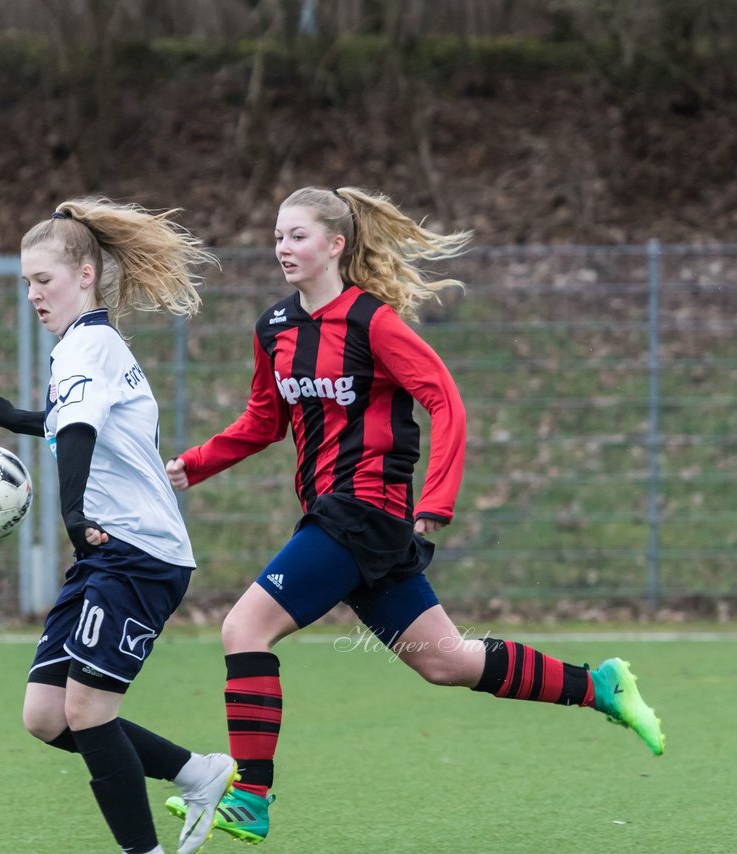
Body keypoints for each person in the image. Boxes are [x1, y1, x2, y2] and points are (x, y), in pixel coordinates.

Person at [163, 186, 666, 846]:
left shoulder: (374, 323)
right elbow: (264, 421)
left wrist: (436, 501)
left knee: (243, 628)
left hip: (364, 513)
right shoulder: (275, 329)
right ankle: (598, 687)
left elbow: (445, 401)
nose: (282, 247)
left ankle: (250, 794)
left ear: (335, 245)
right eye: (278, 236)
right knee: (448, 662)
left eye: (298, 236)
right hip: (341, 521)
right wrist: (191, 465)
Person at [0, 197, 237, 854]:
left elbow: (85, 430)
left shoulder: (87, 346)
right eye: (27, 283)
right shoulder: (83, 349)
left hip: (137, 553)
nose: (34, 294)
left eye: (44, 279)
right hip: (108, 551)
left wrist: (71, 513)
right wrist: (21, 420)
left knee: (89, 711)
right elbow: (75, 421)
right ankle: (197, 772)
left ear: (85, 276)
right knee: (45, 714)